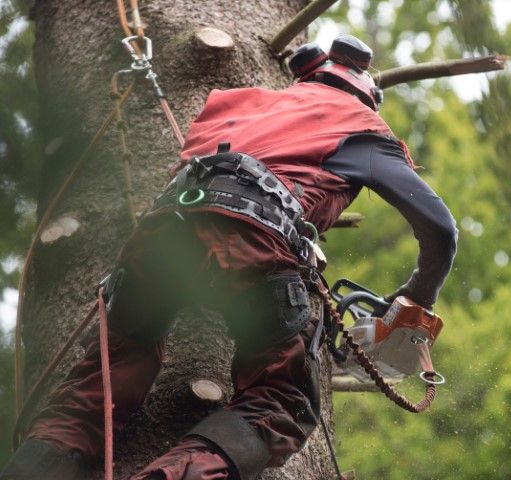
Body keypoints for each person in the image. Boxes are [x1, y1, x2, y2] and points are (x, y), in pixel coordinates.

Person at [1, 35, 457, 480]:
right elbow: (440, 230)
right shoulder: (361, 125)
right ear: (365, 94)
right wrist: (418, 297)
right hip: (254, 236)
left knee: (101, 382)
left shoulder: (237, 104)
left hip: (163, 230)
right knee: (281, 403)